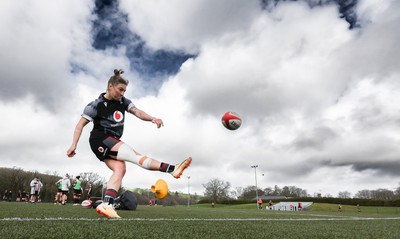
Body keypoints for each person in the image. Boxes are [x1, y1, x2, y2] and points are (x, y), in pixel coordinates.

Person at [67, 69, 192, 218]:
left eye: (124, 91)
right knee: (134, 155)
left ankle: (107, 204)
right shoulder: (96, 105)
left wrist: (152, 118)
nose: (122, 93)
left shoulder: (123, 102)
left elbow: (137, 112)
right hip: (100, 139)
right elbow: (80, 125)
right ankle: (172, 169)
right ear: (110, 86)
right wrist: (73, 145)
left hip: (112, 141)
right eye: (120, 90)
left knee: (120, 169)